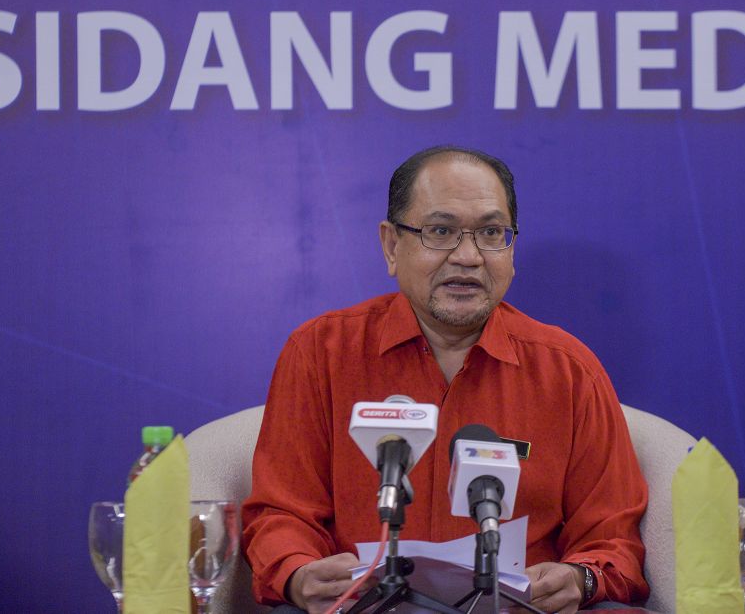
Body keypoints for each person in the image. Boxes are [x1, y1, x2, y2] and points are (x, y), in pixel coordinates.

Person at [242, 146, 650, 614]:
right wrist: (298, 574)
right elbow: (282, 514)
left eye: (491, 233)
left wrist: (582, 578)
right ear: (391, 246)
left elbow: (611, 538)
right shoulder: (321, 353)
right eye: (441, 231)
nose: (469, 257)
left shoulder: (568, 370)